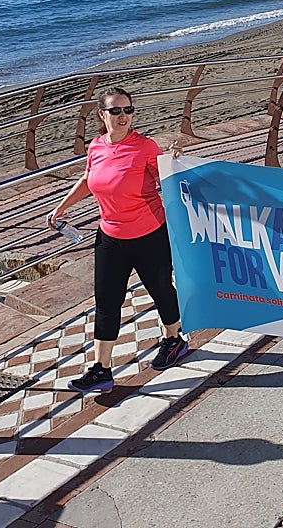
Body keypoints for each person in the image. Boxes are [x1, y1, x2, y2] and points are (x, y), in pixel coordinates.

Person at [47, 87, 189, 394]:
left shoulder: (145, 147)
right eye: (115, 111)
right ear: (102, 115)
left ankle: (173, 339)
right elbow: (88, 179)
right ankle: (102, 370)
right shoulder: (96, 147)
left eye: (128, 110)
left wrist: (176, 162)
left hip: (149, 234)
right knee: (107, 304)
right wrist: (62, 207)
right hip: (110, 236)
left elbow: (168, 177)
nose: (123, 116)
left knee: (161, 290)